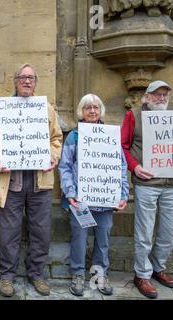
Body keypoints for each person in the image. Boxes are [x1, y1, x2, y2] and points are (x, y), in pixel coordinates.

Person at [0, 63, 63, 297]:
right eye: (22, 77)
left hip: (40, 181)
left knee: (41, 231)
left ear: (36, 82)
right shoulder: (2, 108)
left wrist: (52, 156)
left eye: (31, 78)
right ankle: (7, 276)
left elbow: (56, 138)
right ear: (15, 81)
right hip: (11, 181)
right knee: (9, 232)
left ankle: (37, 274)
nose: (27, 81)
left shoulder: (46, 109)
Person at [58, 94, 129, 297]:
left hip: (105, 200)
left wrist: (122, 194)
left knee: (103, 237)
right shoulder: (74, 136)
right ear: (81, 111)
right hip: (80, 200)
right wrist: (70, 192)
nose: (92, 111)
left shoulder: (110, 135)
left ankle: (99, 274)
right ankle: (78, 274)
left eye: (96, 107)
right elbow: (64, 167)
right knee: (79, 238)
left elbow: (120, 166)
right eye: (87, 107)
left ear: (101, 111)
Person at [121, 80, 173, 299]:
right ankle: (142, 274)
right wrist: (135, 167)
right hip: (146, 184)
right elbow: (122, 146)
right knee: (144, 233)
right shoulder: (133, 115)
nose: (161, 98)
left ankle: (158, 268)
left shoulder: (170, 118)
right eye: (157, 94)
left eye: (165, 95)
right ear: (147, 96)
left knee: (168, 232)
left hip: (170, 184)